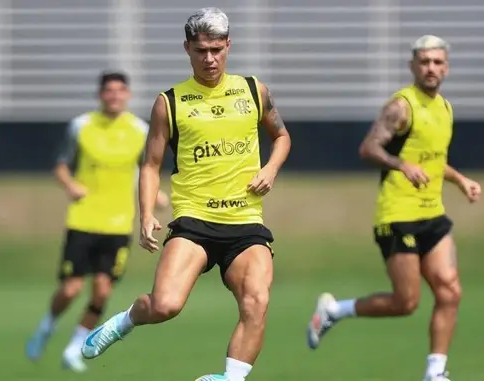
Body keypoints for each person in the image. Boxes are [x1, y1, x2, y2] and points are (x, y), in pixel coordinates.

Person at [81, 8, 291, 381]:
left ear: (228, 45)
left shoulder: (254, 91)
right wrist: (145, 214)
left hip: (244, 222)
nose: (209, 58)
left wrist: (270, 169)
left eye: (215, 49)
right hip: (195, 221)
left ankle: (230, 378)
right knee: (165, 305)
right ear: (187, 49)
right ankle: (126, 320)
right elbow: (150, 164)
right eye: (200, 50)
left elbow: (282, 136)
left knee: (257, 300)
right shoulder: (170, 102)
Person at [306, 35, 481, 381]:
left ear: (446, 67)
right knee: (407, 302)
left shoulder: (444, 108)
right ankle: (334, 310)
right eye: (425, 61)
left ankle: (435, 372)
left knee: (450, 291)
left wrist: (460, 180)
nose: (431, 68)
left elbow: (432, 162)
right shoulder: (401, 107)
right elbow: (368, 148)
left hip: (432, 214)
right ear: (413, 66)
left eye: (437, 62)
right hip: (397, 216)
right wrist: (401, 165)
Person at [25, 71, 169, 373]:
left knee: (102, 291)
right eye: (109, 91)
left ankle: (75, 348)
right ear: (101, 95)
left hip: (118, 225)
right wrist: (70, 186)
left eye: (120, 91)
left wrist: (155, 196)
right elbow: (61, 166)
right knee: (70, 289)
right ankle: (47, 327)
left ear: (127, 95)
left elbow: (147, 169)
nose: (114, 96)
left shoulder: (140, 130)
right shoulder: (81, 126)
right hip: (83, 219)